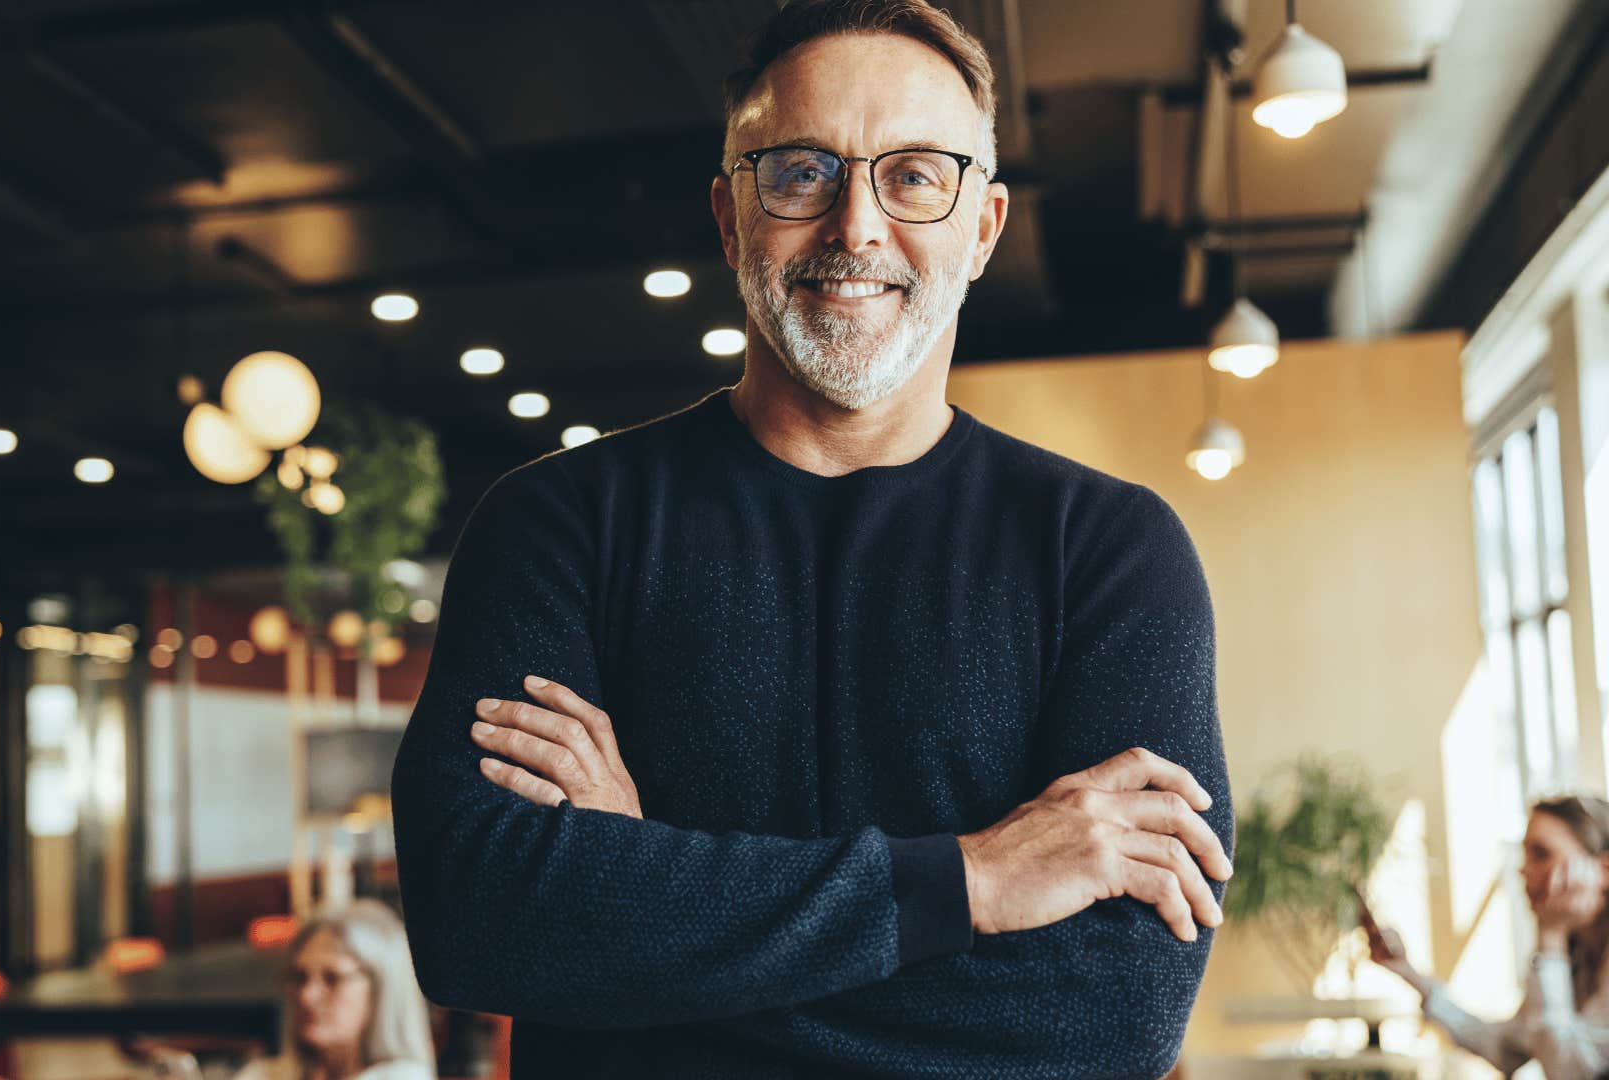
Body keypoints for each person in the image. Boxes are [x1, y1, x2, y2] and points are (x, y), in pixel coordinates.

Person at [389, 1, 1234, 1075]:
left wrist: (641, 902)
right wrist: (968, 885)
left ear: (983, 228)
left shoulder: (1110, 550)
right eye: (800, 172)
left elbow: (1117, 1015)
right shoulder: (554, 524)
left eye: (917, 175)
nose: (857, 228)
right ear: (730, 215)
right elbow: (480, 924)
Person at [1361, 796, 1609, 1079]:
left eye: (1541, 854)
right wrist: (1410, 974)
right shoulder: (1574, 955)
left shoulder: (1558, 948)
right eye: (1525, 853)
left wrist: (1550, 938)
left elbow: (1570, 1072)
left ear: (1603, 869)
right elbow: (1505, 1047)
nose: (1523, 870)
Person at [233, 900, 436, 1080]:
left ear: (381, 989)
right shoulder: (263, 1073)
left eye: (332, 979)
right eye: (299, 977)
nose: (307, 996)